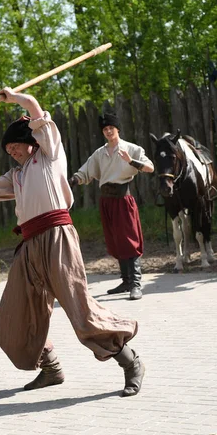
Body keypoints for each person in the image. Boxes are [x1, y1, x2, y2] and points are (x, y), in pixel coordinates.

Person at [0, 89, 145, 397]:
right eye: (8, 149)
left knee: (79, 310)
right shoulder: (17, 175)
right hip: (29, 246)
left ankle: (130, 362)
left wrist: (16, 98)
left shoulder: (49, 155)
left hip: (58, 238)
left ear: (31, 141)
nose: (12, 152)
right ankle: (50, 367)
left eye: (15, 146)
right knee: (13, 314)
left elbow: (37, 113)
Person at [69, 112, 154, 301]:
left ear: (117, 129)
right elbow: (86, 171)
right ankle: (125, 281)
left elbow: (150, 168)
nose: (108, 131)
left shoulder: (131, 149)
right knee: (115, 241)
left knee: (129, 240)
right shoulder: (100, 153)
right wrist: (74, 179)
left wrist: (130, 161)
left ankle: (135, 284)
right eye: (105, 129)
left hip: (123, 199)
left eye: (111, 128)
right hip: (106, 201)